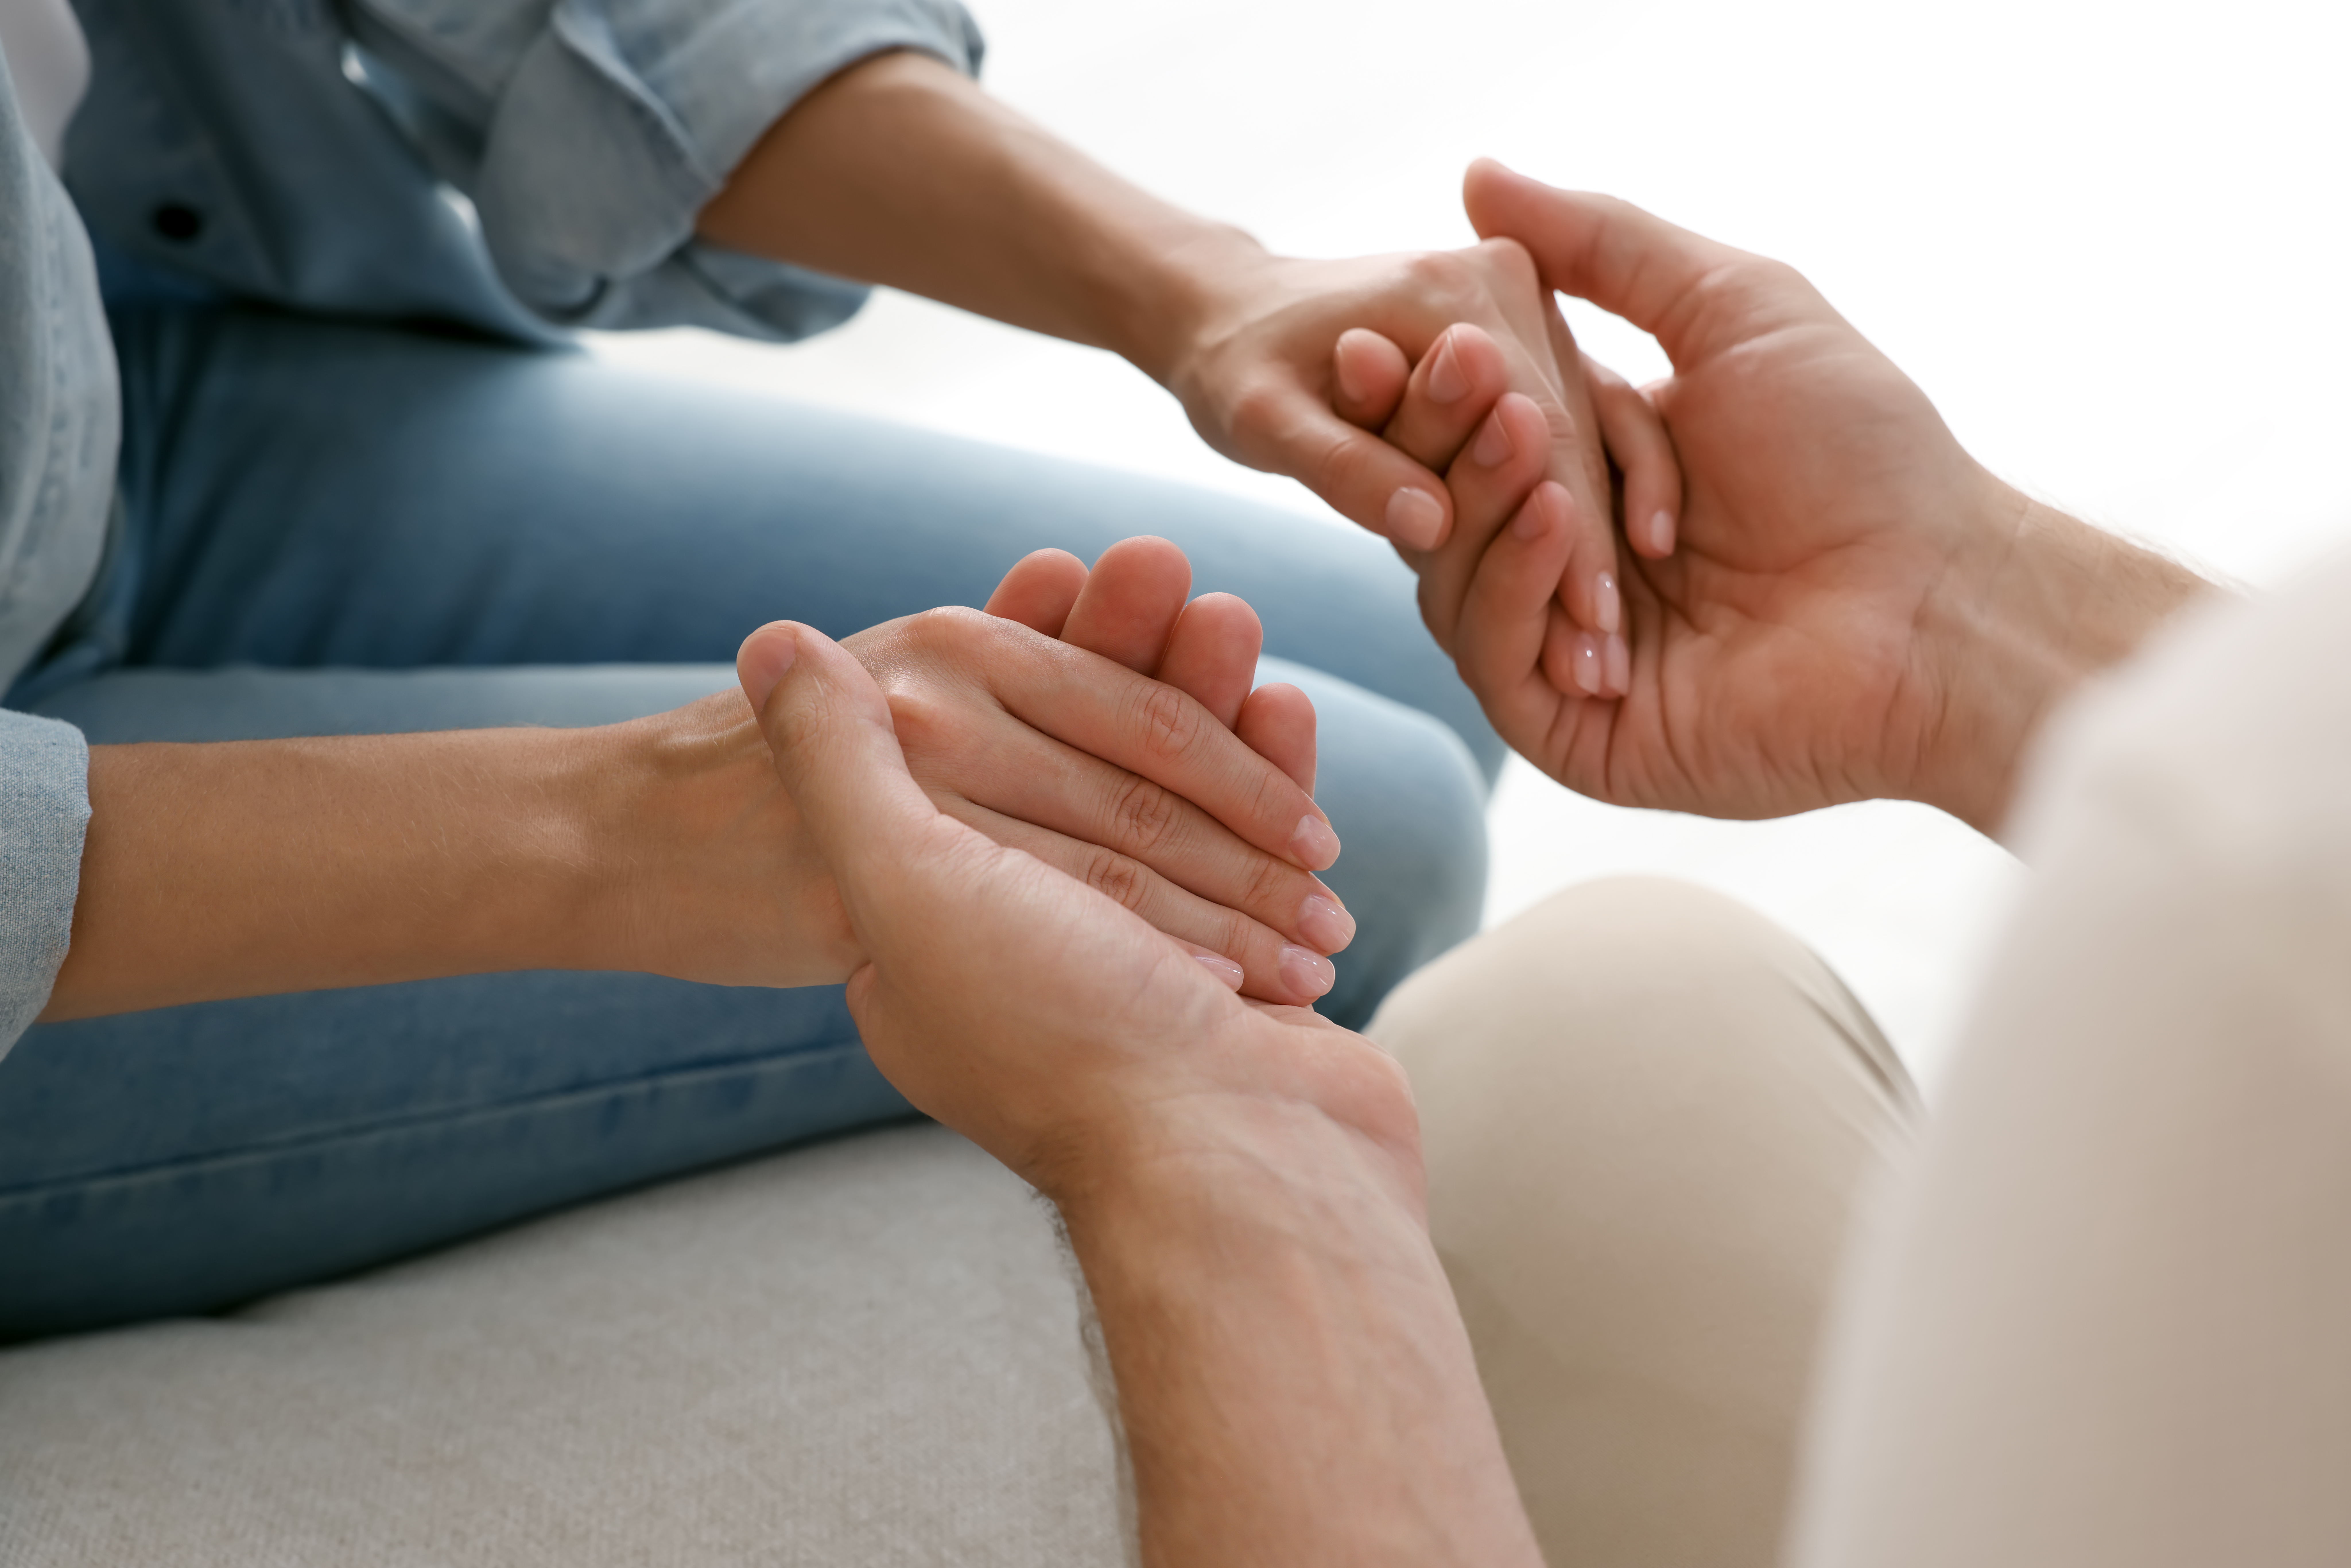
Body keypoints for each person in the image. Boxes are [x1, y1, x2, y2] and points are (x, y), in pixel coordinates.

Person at [0, 1, 1678, 1338]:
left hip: (123, 371)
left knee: (1418, 642)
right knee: (1342, 832)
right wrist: (626, 826)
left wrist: (1207, 288)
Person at [740, 162, 2319, 1568]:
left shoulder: (2219, 956)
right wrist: (1960, 616)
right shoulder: (2246, 886)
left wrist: (1207, 1161)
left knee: (1540, 966)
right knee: (1556, 939)